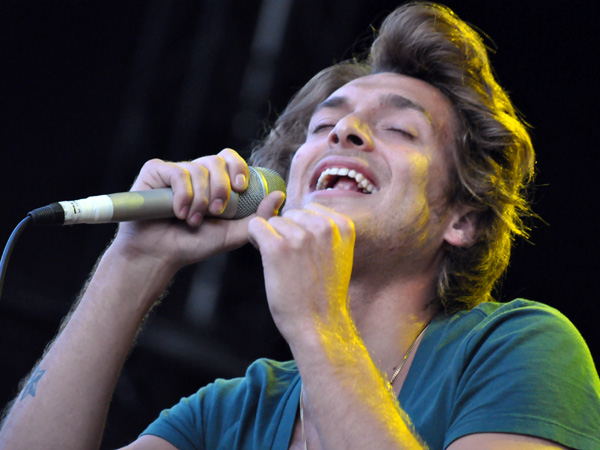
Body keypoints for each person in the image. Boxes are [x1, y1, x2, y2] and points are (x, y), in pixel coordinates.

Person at [1, 2, 599, 449]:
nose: (344, 132)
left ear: (462, 219)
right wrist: (133, 264)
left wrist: (320, 326)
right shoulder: (229, 413)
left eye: (398, 128)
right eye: (324, 127)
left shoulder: (518, 349)